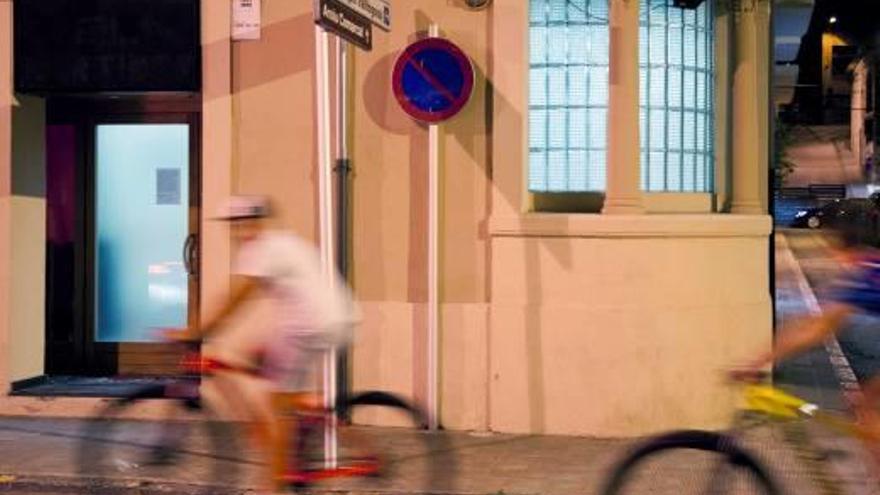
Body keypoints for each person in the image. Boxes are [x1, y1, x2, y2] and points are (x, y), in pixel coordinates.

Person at [165, 195, 358, 493]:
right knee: (255, 357)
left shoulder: (261, 249)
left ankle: (275, 484)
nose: (237, 232)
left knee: (276, 402)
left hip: (312, 323)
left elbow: (235, 299)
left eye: (239, 224)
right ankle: (307, 412)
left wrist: (197, 333)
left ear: (251, 223)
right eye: (233, 226)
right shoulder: (278, 243)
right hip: (323, 317)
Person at [733, 222, 880, 442]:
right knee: (864, 410)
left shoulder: (863, 278)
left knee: (867, 412)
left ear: (841, 250)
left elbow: (816, 328)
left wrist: (758, 361)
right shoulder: (872, 266)